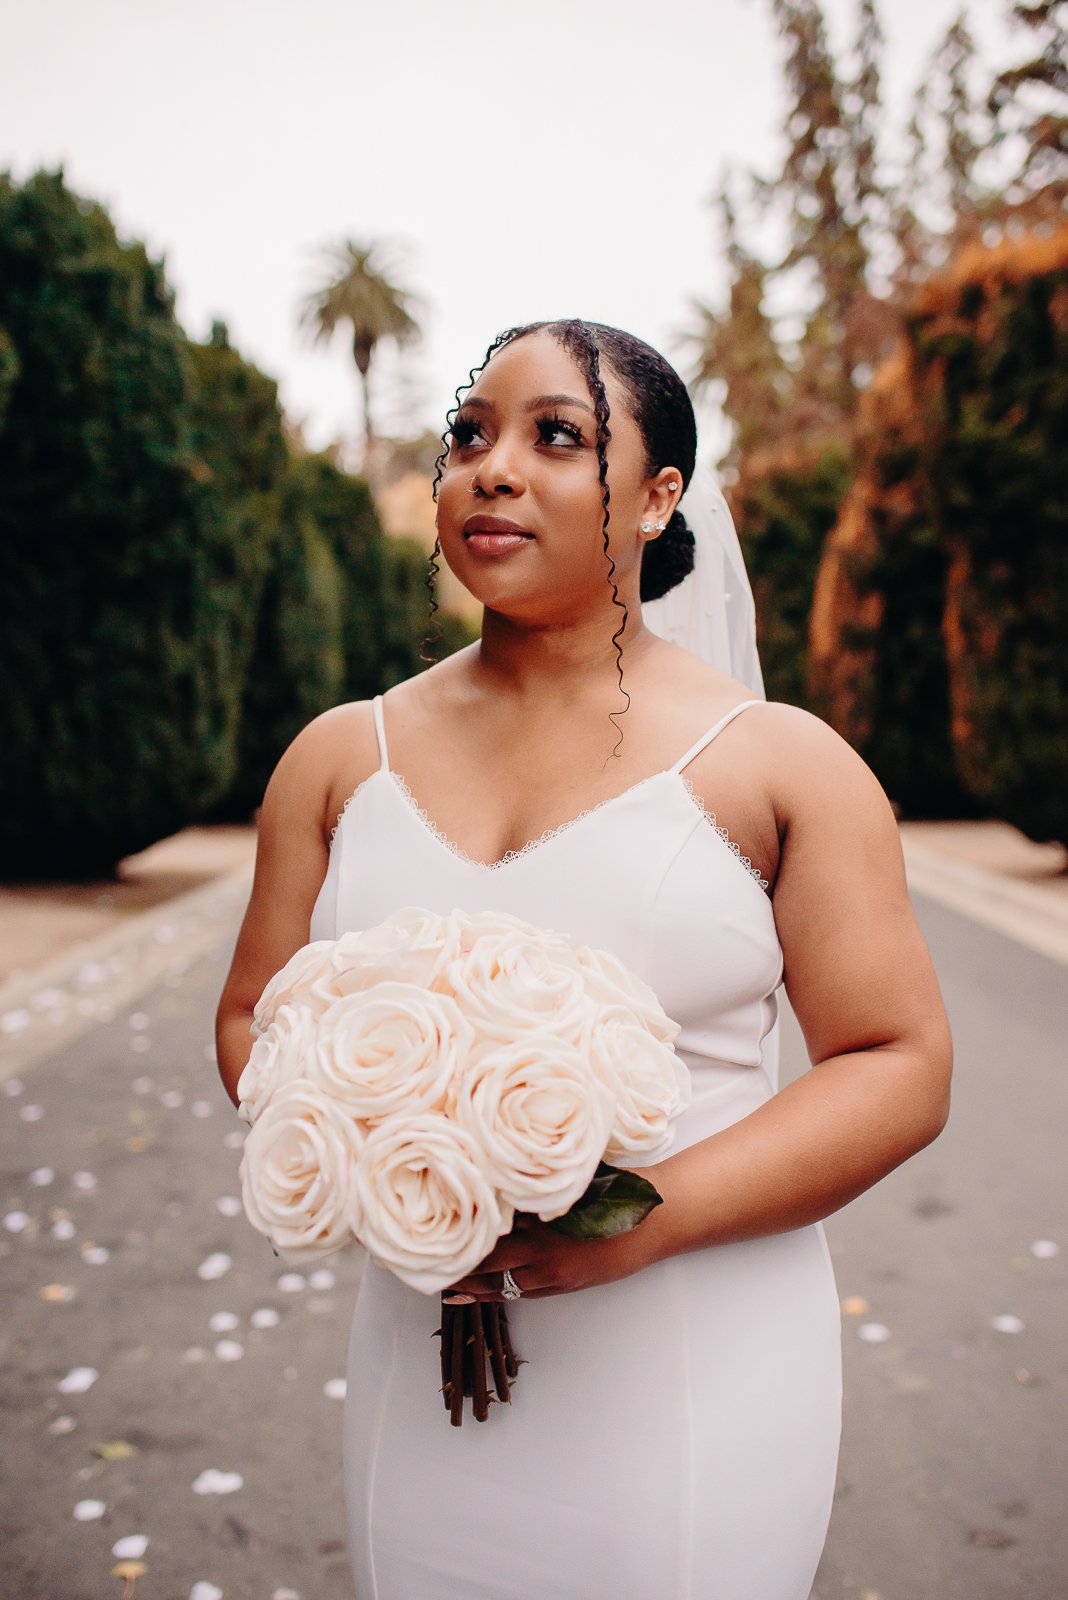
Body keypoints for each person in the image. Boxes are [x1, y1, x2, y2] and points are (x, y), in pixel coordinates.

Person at [215, 317, 952, 1600]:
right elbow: (250, 1022)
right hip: (420, 1335)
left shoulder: (780, 764)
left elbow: (898, 1063)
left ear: (660, 498)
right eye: (469, 434)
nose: (492, 468)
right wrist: (386, 1134)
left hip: (693, 1347)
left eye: (557, 435)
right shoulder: (339, 758)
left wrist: (641, 1223)